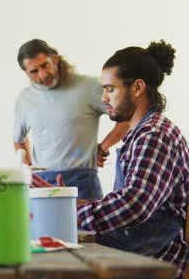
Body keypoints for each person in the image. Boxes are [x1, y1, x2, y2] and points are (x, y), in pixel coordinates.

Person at [34, 40, 189, 278]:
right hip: (136, 252)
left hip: (155, 262)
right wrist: (64, 201)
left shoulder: (154, 135)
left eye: (110, 89)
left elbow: (133, 204)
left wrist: (67, 213)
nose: (104, 98)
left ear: (138, 88)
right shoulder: (140, 134)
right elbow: (127, 200)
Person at [14, 39, 128, 199]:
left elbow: (126, 116)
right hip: (41, 184)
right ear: (26, 73)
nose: (43, 74)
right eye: (34, 71)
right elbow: (19, 140)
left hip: (82, 181)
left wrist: (104, 147)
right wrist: (27, 173)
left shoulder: (89, 86)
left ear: (54, 59)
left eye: (45, 65)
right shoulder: (25, 99)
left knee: (89, 225)